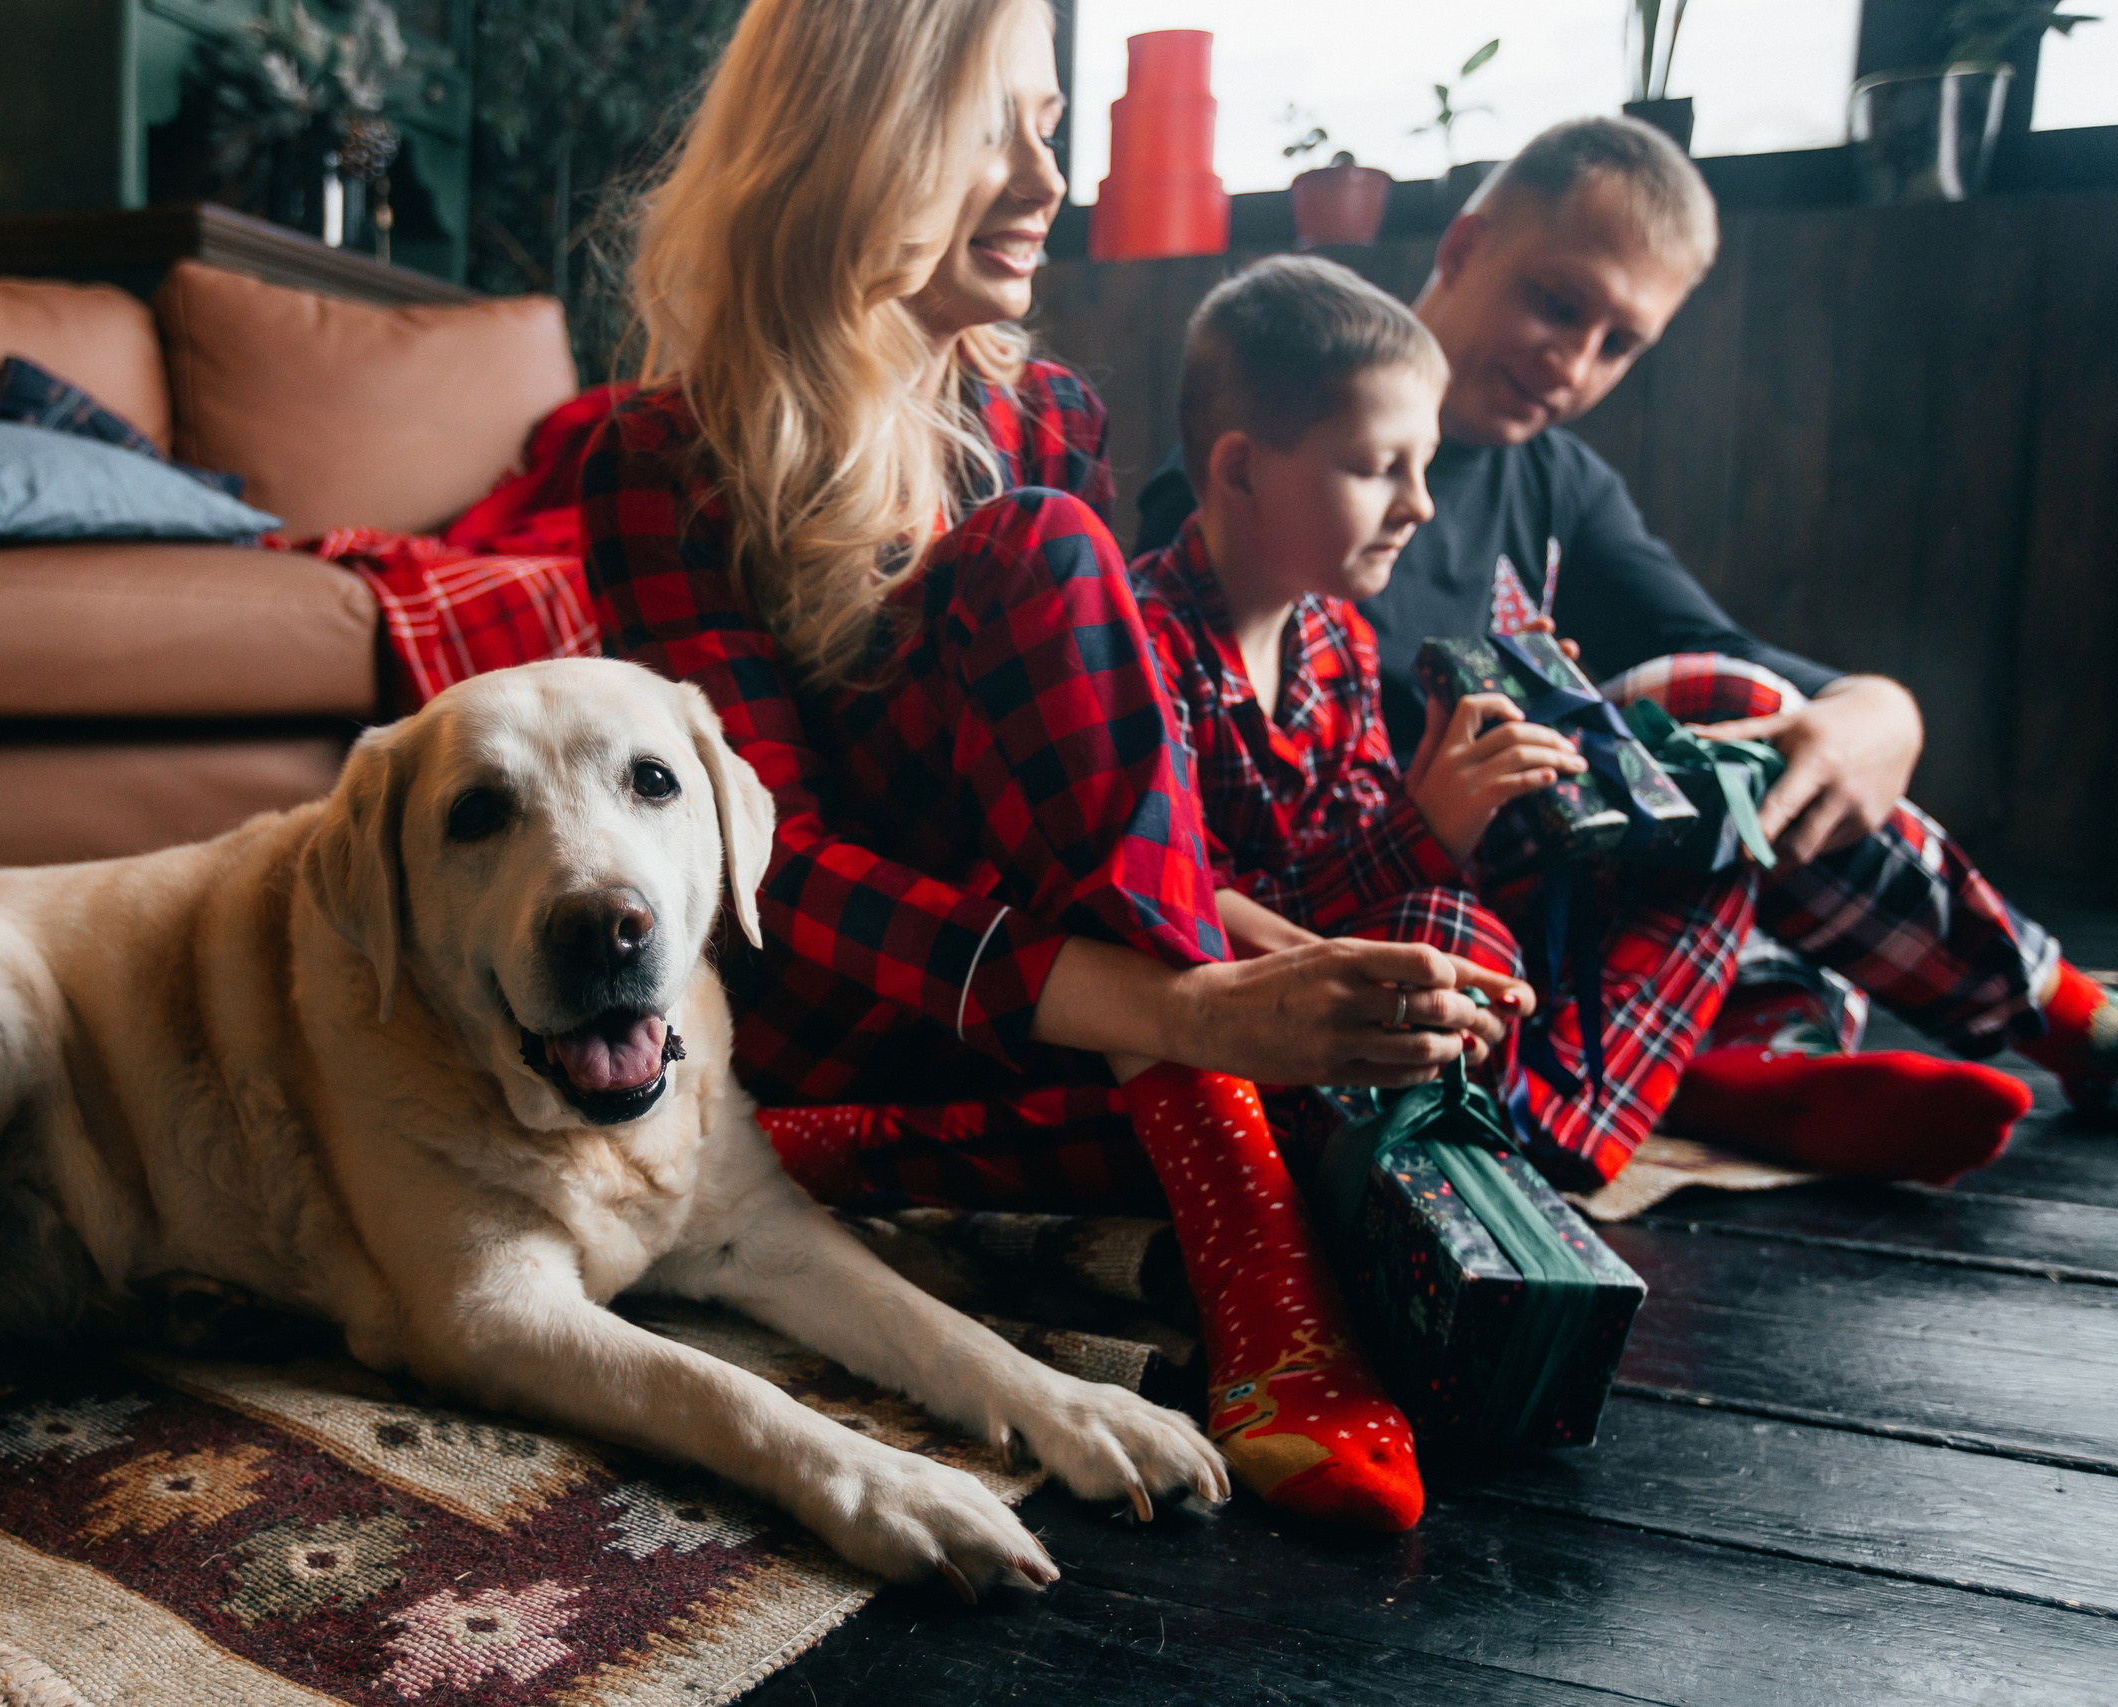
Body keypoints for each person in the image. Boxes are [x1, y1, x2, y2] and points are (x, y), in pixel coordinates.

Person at [583, 0, 1524, 1531]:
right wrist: (1187, 1010)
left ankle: (834, 1167)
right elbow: (771, 866)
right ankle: (1259, 1258)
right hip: (860, 997)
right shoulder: (657, 456)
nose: (1048, 182)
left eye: (1051, 130)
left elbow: (1111, 820)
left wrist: (1298, 964)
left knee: (1427, 981)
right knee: (1042, 550)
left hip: (1060, 1013)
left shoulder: (1046, 408)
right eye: (992, 133)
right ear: (853, 142)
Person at [1135, 117, 2108, 1175]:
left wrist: (1879, 707)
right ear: (1461, 248)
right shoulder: (1259, 492)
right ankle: (2035, 1017)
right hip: (1390, 906)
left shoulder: (1557, 477)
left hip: (1539, 902)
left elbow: (1719, 653)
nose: (1575, 361)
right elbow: (1195, 836)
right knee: (1693, 737)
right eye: (1557, 303)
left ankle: (1735, 1066)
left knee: (1736, 771)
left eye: (1621, 343)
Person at [1135, 253, 1762, 1192]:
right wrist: (1427, 835)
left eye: (1423, 466)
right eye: (1379, 467)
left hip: (1351, 951)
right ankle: (1541, 1116)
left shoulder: (1335, 636)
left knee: (1710, 843)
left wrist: (1461, 784)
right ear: (1240, 469)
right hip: (1237, 1003)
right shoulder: (1140, 643)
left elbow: (1348, 859)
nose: (1419, 505)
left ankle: (1538, 1114)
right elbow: (1183, 908)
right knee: (1444, 933)